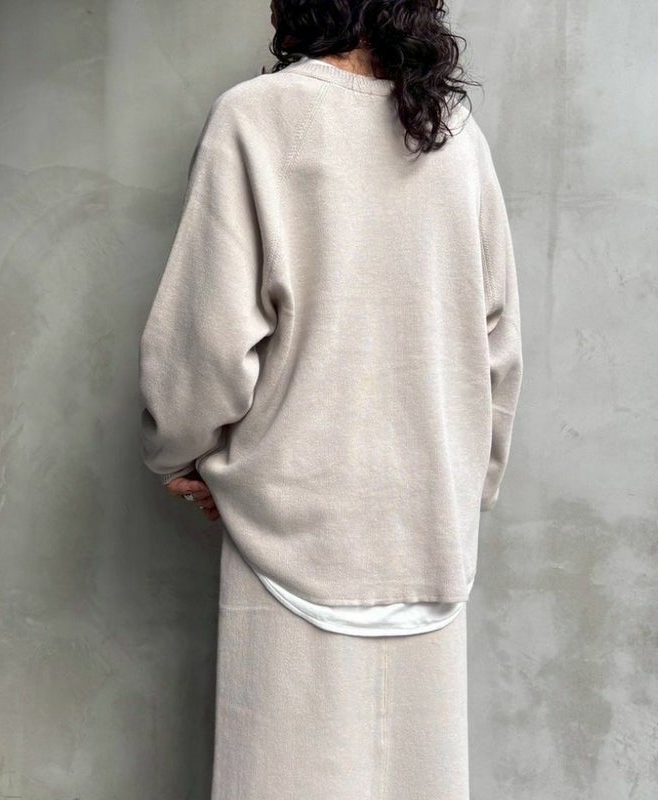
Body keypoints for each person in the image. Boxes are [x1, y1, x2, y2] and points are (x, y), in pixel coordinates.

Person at [138, 0, 524, 797]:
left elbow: (206, 338)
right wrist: (465, 490)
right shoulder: (454, 132)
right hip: (425, 533)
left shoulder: (255, 118)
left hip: (291, 529)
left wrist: (183, 453)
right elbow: (498, 346)